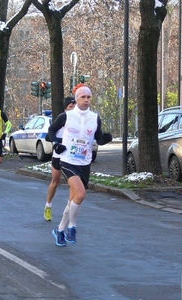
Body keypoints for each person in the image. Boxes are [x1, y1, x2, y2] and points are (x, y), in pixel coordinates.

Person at [47, 84, 113, 246]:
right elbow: (51, 130)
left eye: (88, 97)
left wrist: (106, 138)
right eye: (83, 97)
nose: (86, 100)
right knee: (81, 194)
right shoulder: (66, 116)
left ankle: (60, 230)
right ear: (77, 99)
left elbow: (98, 139)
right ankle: (72, 227)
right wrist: (56, 144)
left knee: (74, 200)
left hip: (85, 162)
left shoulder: (95, 118)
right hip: (68, 160)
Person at [44, 97, 76, 221]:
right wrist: (56, 143)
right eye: (70, 106)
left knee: (72, 184)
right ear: (66, 108)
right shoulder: (63, 117)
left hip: (72, 155)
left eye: (74, 106)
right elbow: (50, 131)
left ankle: (69, 210)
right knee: (55, 182)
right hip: (59, 154)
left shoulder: (79, 120)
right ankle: (48, 205)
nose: (73, 108)